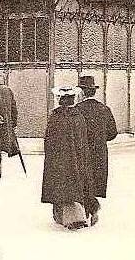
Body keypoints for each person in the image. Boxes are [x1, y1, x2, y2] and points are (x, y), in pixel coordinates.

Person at [41, 86, 96, 231]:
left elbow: (48, 140)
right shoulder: (79, 116)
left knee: (60, 186)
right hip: (78, 158)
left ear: (60, 100)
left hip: (59, 159)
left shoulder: (55, 117)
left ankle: (67, 218)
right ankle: (79, 214)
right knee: (77, 183)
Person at [75, 75, 118, 226]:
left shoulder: (77, 110)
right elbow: (113, 133)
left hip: (82, 152)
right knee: (95, 180)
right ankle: (93, 208)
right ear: (93, 91)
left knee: (83, 180)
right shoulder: (104, 109)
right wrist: (99, 139)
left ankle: (88, 210)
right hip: (100, 152)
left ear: (81, 92)